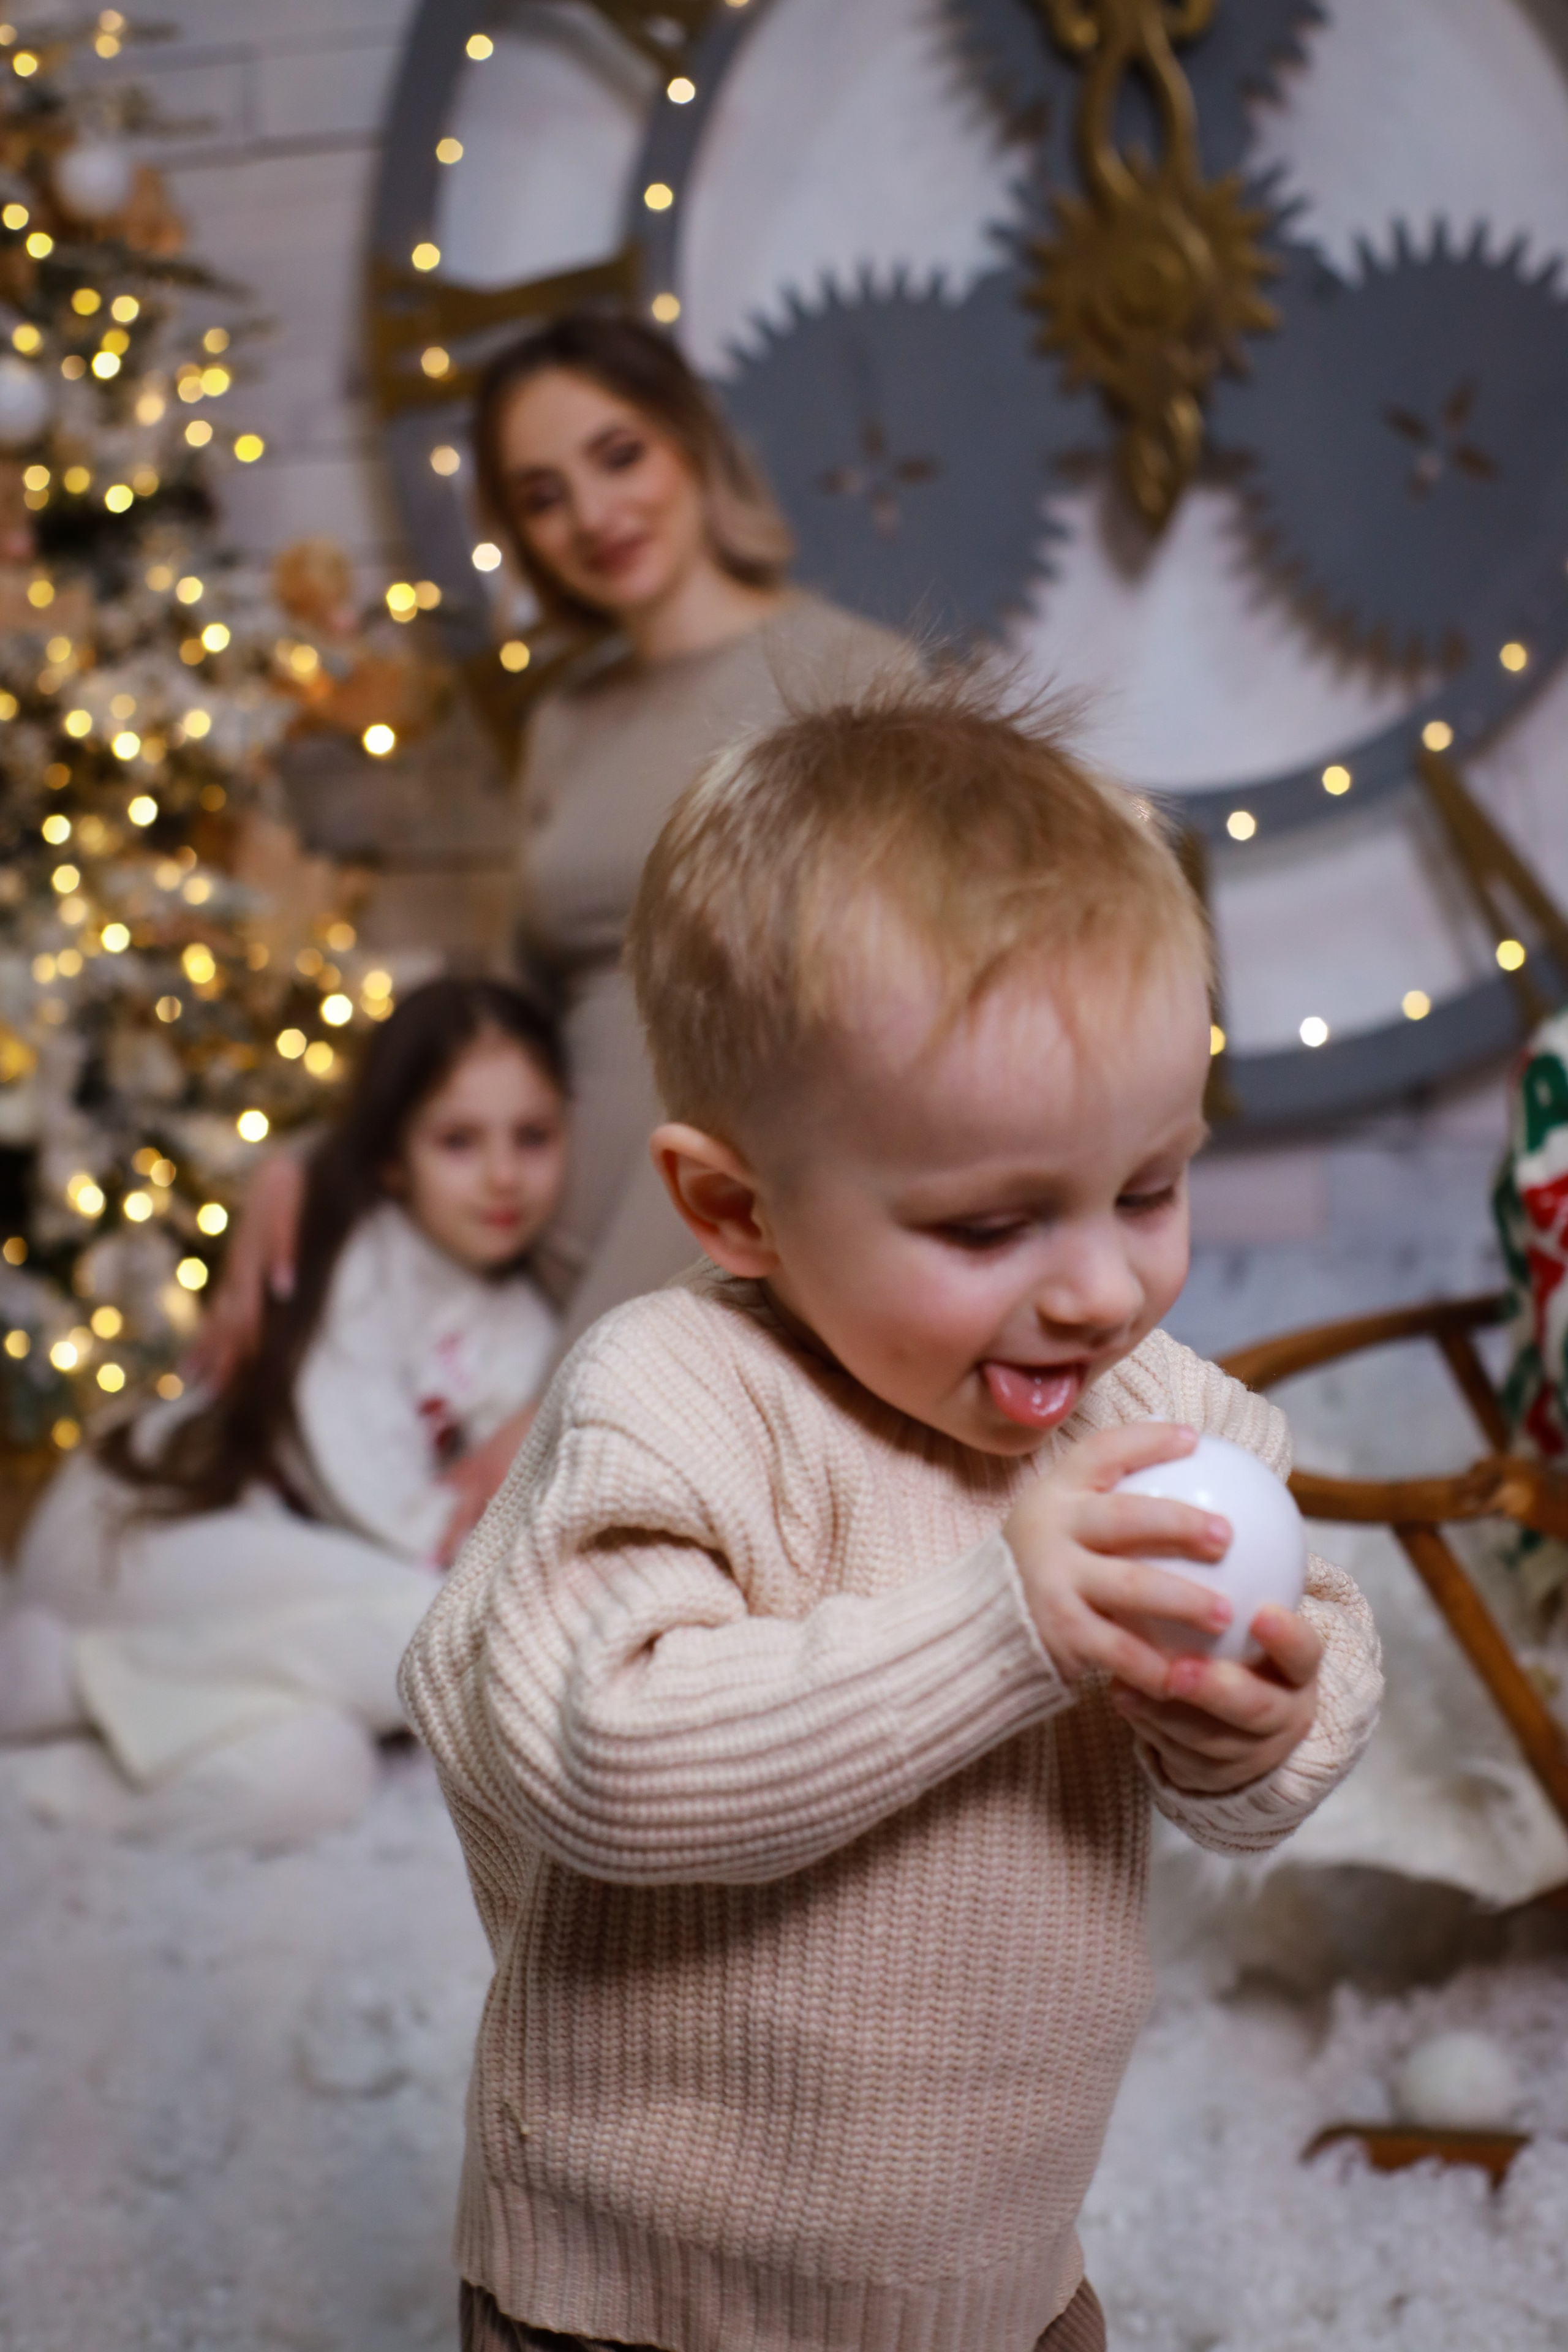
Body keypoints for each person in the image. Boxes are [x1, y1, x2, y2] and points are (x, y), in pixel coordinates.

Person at [401, 681, 1382, 2352]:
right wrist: (1003, 1622)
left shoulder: (1157, 1407)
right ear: (738, 1206)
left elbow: (1313, 1650)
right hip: (648, 2286)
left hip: (995, 2270)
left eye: (1149, 1188)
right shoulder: (675, 1398)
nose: (1100, 1287)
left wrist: (1264, 1714)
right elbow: (603, 1755)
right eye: (994, 1222)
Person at [195, 311, 908, 1392]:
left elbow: (840, 1068)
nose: (592, 514)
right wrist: (321, 1164)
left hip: (740, 1291)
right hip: (527, 1291)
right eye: (542, 494)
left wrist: (590, 1367)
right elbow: (501, 1018)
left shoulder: (860, 682)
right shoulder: (566, 721)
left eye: (619, 456)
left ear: (691, 441)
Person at [0, 978, 567, 1845]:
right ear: (393, 1159)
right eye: (458, 1142)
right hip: (143, 1531)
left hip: (280, 1583)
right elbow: (368, 1487)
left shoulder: (529, 1332)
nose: (503, 1177)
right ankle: (61, 1673)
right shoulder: (347, 1253)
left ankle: (56, 1748)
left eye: (533, 1138)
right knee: (445, 1638)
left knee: (314, 1772)